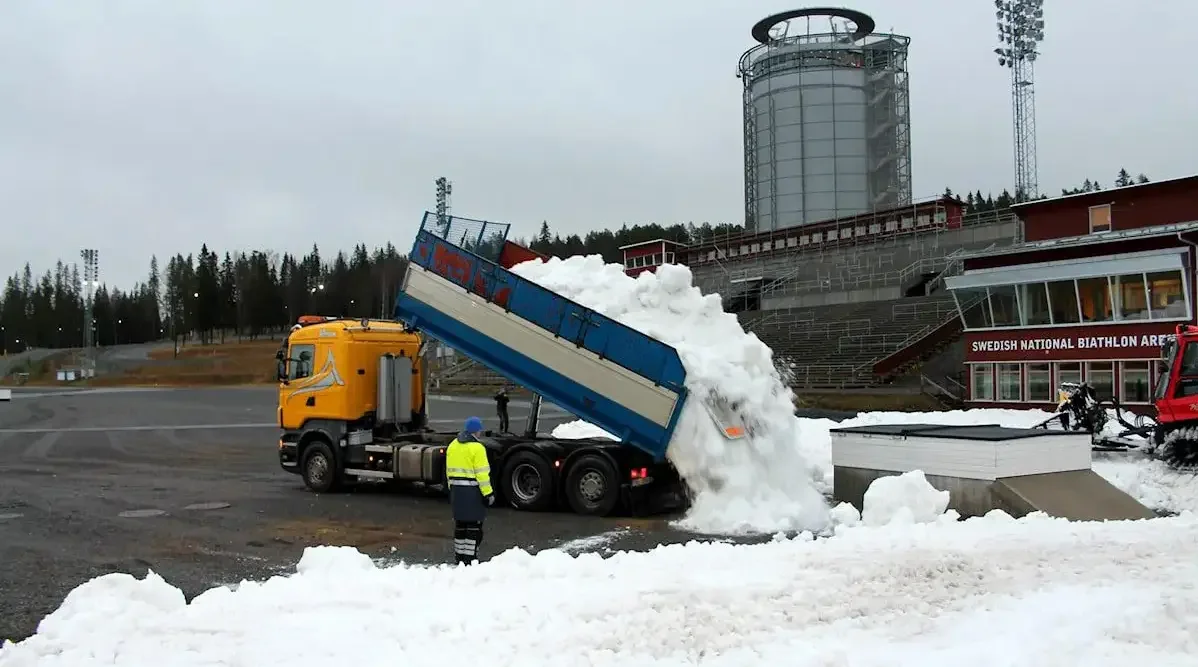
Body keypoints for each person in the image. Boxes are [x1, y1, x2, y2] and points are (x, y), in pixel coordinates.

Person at [445, 416, 493, 565]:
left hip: (457, 492)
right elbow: (482, 475)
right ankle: (470, 559)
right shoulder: (477, 448)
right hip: (472, 493)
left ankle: (459, 558)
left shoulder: (453, 445)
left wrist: (451, 489)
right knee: (473, 527)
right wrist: (488, 494)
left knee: (460, 526)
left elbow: (448, 471)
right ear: (477, 431)